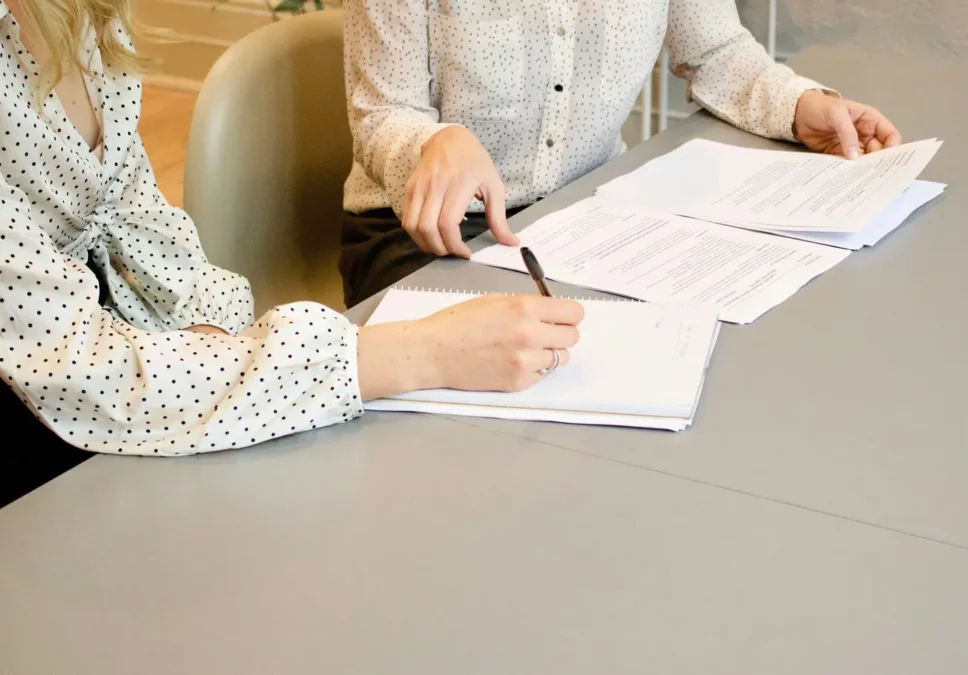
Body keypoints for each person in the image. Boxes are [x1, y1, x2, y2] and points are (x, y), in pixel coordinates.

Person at [0, 0, 584, 507]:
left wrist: (210, 337)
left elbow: (138, 219)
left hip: (113, 367)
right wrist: (421, 353)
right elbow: (75, 365)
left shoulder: (81, 19)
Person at [341, 0, 903, 306]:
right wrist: (433, 143)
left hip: (585, 216)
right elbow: (381, 113)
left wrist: (799, 104)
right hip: (423, 232)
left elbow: (718, 51)